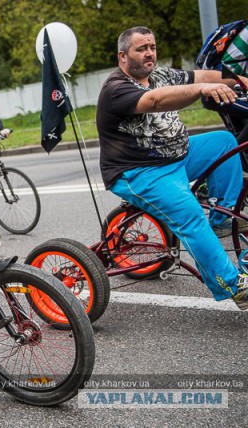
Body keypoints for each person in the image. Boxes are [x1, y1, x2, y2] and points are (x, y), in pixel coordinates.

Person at [96, 26, 248, 310]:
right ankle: (233, 285)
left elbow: (203, 75)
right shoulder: (116, 89)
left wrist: (238, 79)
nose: (149, 53)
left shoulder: (161, 74)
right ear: (123, 56)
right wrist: (202, 90)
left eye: (152, 46)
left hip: (178, 155)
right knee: (190, 216)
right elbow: (155, 100)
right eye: (141, 49)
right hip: (140, 171)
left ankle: (221, 220)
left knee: (225, 142)